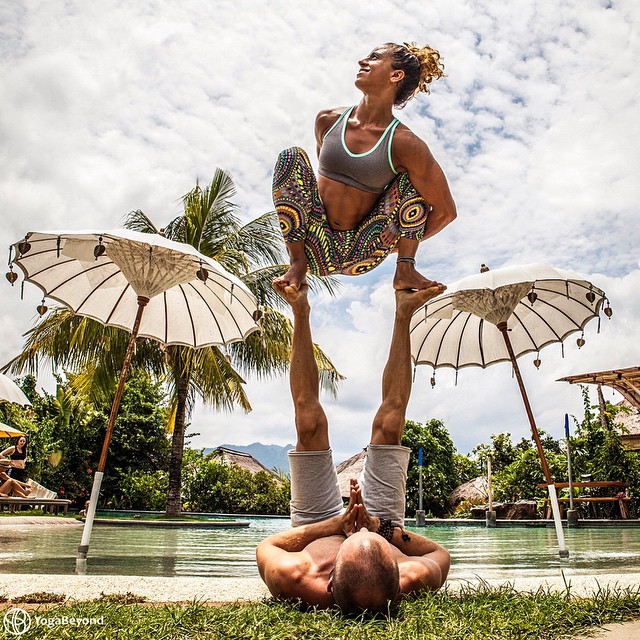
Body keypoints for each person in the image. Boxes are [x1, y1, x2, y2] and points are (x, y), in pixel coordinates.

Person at [256, 283, 450, 613]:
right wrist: (379, 529)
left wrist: (334, 526)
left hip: (318, 528)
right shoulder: (414, 576)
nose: (352, 534)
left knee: (309, 424)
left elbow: (267, 545)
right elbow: (440, 554)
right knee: (390, 425)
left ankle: (300, 309)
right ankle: (404, 313)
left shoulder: (295, 577)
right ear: (398, 577)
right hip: (383, 525)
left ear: (329, 582)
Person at [272, 41, 457, 293]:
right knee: (290, 157)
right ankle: (297, 264)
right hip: (312, 244)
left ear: (395, 75)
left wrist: (391, 246)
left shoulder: (405, 143)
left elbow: (446, 212)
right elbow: (312, 191)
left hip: (363, 250)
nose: (362, 61)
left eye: (374, 57)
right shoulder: (327, 121)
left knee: (412, 183)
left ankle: (405, 269)